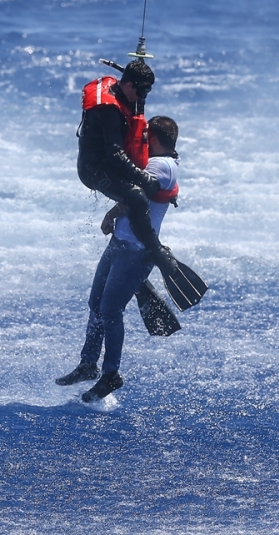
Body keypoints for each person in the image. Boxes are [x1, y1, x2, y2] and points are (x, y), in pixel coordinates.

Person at [58, 115, 181, 401]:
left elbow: (135, 193)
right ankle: (88, 364)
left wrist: (111, 208)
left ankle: (110, 374)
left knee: (111, 310)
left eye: (145, 136)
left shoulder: (161, 166)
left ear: (153, 138)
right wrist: (112, 214)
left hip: (136, 252)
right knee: (96, 304)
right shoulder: (160, 163)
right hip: (120, 244)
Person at [75, 59, 179, 277]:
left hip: (110, 159)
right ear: (129, 85)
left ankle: (133, 262)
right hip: (94, 169)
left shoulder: (125, 90)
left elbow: (135, 112)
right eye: (141, 92)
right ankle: (156, 251)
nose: (142, 98)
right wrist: (145, 180)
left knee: (142, 177)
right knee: (137, 196)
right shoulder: (109, 112)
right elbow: (116, 156)